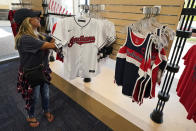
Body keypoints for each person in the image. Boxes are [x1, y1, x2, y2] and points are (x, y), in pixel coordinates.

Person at [14, 8, 58, 127]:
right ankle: (31, 116)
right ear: (27, 21)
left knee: (46, 93)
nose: (39, 18)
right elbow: (52, 44)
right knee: (34, 97)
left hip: (42, 70)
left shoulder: (38, 34)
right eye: (36, 17)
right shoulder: (25, 39)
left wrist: (55, 41)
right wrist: (57, 39)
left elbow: (52, 41)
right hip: (32, 72)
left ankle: (46, 110)